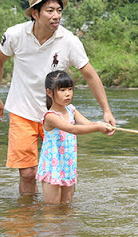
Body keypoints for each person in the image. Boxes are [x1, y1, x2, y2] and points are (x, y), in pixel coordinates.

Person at [0, 0, 116, 195]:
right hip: (23, 111)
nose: (56, 16)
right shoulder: (15, 35)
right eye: (50, 10)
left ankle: (59, 219)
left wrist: (106, 110)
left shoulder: (69, 41)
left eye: (59, 11)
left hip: (57, 114)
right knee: (28, 173)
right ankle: (28, 221)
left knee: (62, 172)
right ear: (35, 13)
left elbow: (90, 75)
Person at [36, 70, 113, 204]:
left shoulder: (71, 110)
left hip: (68, 165)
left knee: (67, 205)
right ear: (49, 92)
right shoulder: (50, 116)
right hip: (53, 167)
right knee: (51, 209)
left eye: (70, 89)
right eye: (62, 90)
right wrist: (97, 127)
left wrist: (103, 127)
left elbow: (88, 124)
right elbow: (73, 129)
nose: (67, 94)